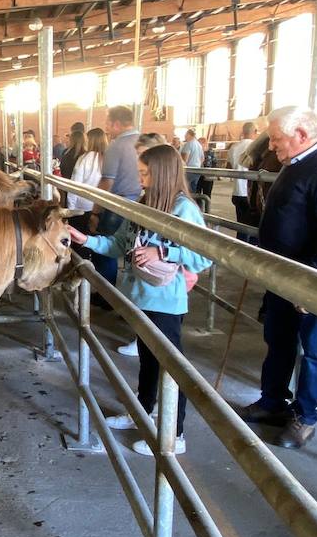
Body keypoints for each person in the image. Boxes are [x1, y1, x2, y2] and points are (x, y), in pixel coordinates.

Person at [69, 144, 212, 455]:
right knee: (148, 361)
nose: (140, 179)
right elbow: (120, 243)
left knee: (171, 367)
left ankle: (175, 435)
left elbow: (203, 257)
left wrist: (163, 251)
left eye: (145, 173)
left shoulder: (184, 210)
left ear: (161, 174)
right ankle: (143, 411)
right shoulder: (142, 204)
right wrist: (87, 240)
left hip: (165, 302)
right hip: (138, 296)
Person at [239, 106, 317, 450]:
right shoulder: (294, 165)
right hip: (286, 271)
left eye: (276, 139)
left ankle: (305, 416)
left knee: (316, 344)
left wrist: (313, 288)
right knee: (278, 336)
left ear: (302, 135)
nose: (272, 146)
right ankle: (273, 400)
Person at [89, 106, 143, 317]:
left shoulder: (116, 146)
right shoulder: (144, 141)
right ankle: (132, 302)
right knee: (134, 254)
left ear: (117, 124)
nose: (107, 128)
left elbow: (107, 182)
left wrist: (95, 211)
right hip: (140, 204)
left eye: (107, 123)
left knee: (106, 251)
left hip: (117, 205)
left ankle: (107, 296)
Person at [66, 127, 107, 226]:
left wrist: (70, 210)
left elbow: (75, 185)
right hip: (100, 207)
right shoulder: (108, 159)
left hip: (81, 206)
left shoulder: (84, 158)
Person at [229, 122, 258, 239]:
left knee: (240, 225)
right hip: (250, 193)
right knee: (253, 228)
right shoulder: (256, 146)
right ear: (255, 132)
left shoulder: (234, 148)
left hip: (237, 191)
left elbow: (231, 166)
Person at [181, 129, 204, 194]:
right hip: (197, 170)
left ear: (189, 135)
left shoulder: (188, 144)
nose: (185, 136)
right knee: (193, 189)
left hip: (189, 169)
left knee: (185, 189)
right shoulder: (199, 145)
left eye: (185, 135)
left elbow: (184, 159)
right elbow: (202, 158)